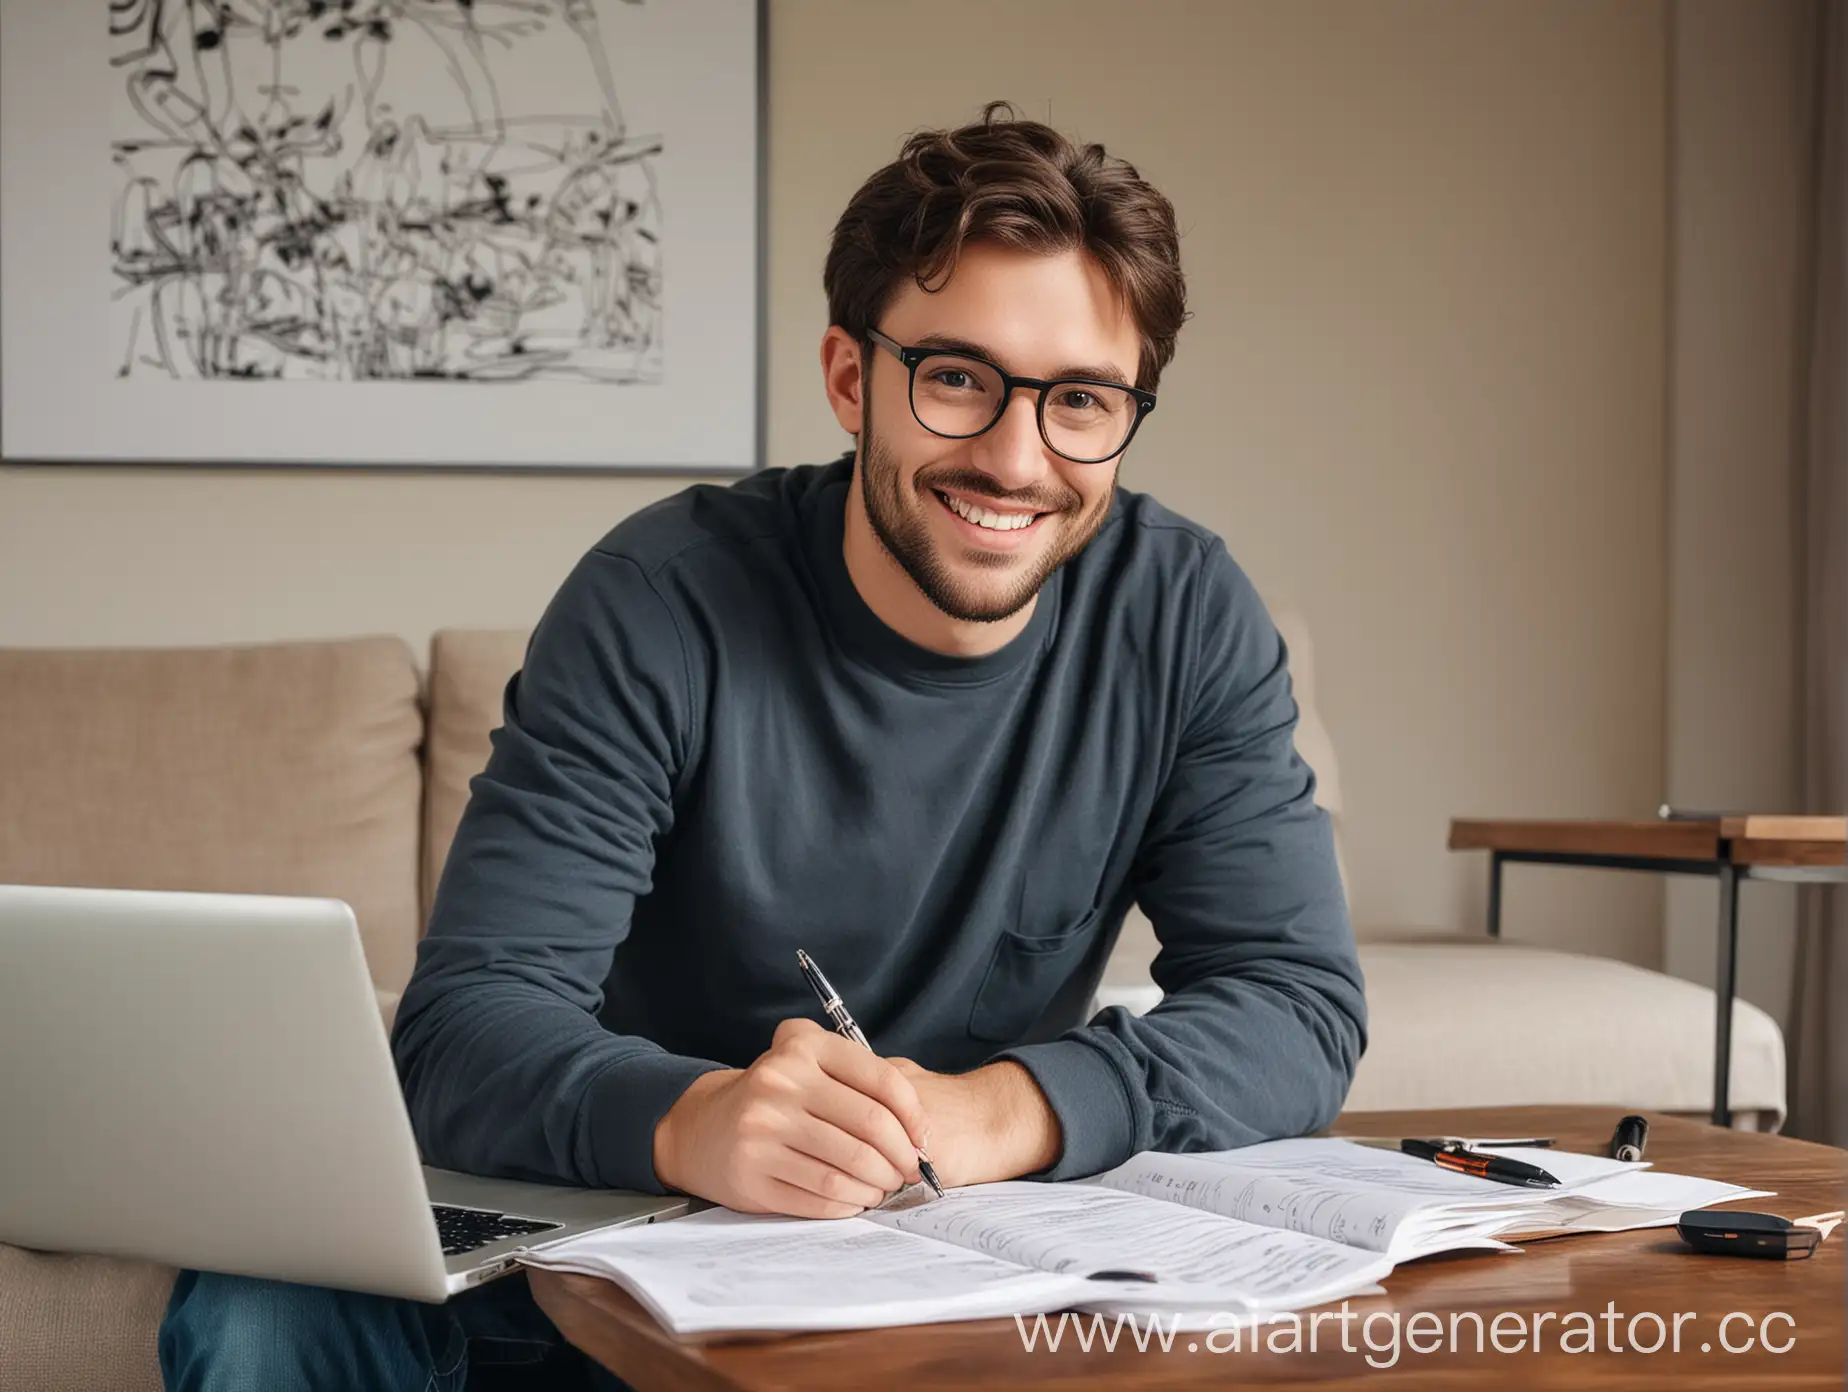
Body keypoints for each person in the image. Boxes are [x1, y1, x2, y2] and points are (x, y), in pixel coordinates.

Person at [160, 100, 1367, 1391]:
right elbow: (463, 1030)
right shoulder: (657, 604)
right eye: (957, 378)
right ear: (853, 377)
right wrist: (692, 1122)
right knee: (259, 1312)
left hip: (954, 1259)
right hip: (610, 1247)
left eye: (1080, 401)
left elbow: (1296, 1006)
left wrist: (997, 1109)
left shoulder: (1183, 617)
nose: (1018, 459)